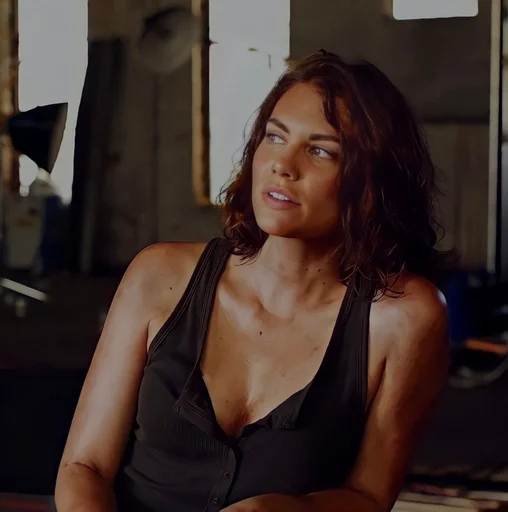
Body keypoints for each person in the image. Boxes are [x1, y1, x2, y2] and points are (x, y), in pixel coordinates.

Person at [55, 50, 451, 512]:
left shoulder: (404, 317)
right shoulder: (159, 275)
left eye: (320, 150)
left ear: (371, 182)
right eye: (274, 137)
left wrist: (284, 510)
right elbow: (84, 467)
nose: (283, 164)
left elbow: (369, 495)